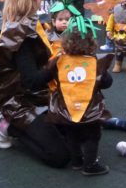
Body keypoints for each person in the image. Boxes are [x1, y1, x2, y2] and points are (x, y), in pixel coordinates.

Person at [0, 0, 70, 168]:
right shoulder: (19, 32)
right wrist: (58, 62)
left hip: (36, 95)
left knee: (74, 135)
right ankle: (7, 127)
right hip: (17, 101)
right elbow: (32, 80)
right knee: (59, 156)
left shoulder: (31, 23)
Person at [48, 17, 113, 175]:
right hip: (89, 109)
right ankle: (90, 165)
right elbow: (106, 82)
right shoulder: (94, 62)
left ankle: (76, 161)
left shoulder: (60, 61)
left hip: (66, 107)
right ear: (91, 43)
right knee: (93, 134)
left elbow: (51, 75)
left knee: (71, 133)